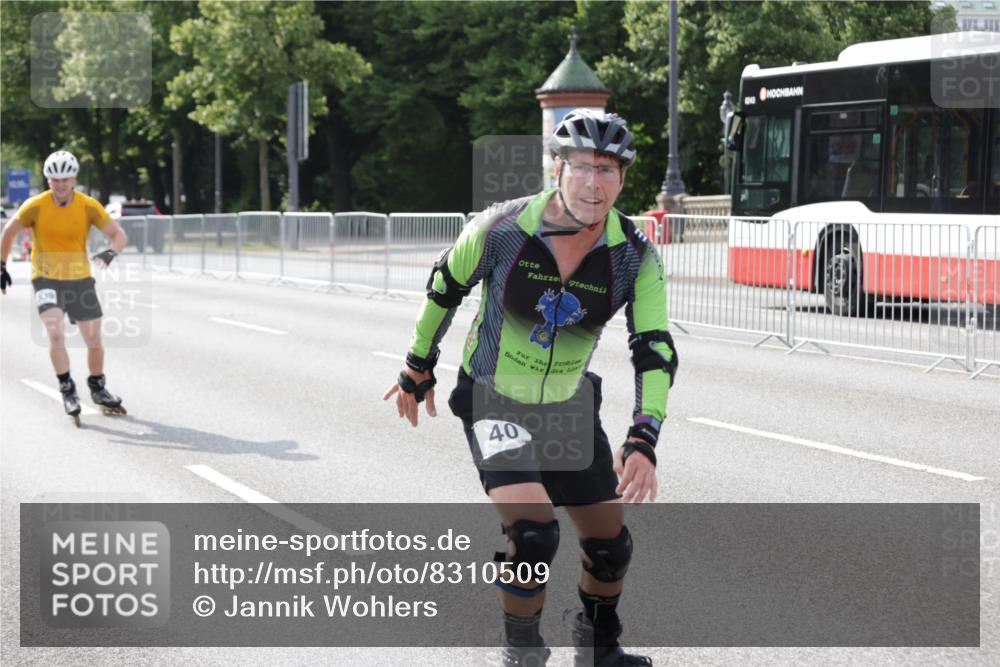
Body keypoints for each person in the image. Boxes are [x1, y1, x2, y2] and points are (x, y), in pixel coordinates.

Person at [384, 110, 677, 666]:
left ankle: (597, 648)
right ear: (558, 169)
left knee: (610, 546)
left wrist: (644, 437)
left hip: (566, 403)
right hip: (494, 394)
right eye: (584, 168)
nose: (596, 184)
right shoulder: (502, 229)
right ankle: (521, 652)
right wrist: (417, 367)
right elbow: (444, 288)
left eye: (610, 170)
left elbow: (655, 348)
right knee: (534, 533)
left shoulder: (634, 255)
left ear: (623, 178)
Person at [0, 150, 129, 425]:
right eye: (54, 180)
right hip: (46, 277)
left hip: (80, 278)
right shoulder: (34, 205)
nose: (60, 185)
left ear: (74, 179)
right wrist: (1, 265)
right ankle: (67, 387)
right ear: (48, 180)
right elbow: (9, 232)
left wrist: (110, 253)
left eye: (65, 179)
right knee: (55, 331)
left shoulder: (88, 206)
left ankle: (97, 386)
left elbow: (119, 235)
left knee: (93, 339)